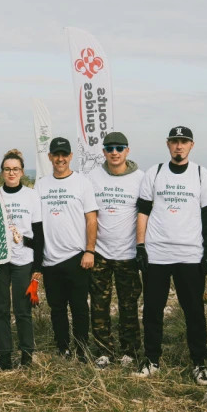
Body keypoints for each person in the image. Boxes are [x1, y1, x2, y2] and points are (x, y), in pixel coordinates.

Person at [136, 126, 207, 385]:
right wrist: (140, 245)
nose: (179, 146)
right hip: (157, 254)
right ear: (168, 144)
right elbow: (143, 211)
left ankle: (199, 363)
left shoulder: (200, 174)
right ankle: (151, 360)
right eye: (174, 142)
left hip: (190, 255)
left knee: (194, 311)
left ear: (191, 145)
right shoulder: (155, 172)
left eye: (184, 142)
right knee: (152, 310)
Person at [36, 137, 98, 361]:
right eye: (56, 154)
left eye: (64, 154)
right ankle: (63, 347)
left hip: (76, 256)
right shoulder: (41, 184)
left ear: (71, 156)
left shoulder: (82, 183)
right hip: (50, 258)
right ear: (50, 157)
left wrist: (89, 250)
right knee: (57, 308)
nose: (60, 159)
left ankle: (82, 349)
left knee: (80, 307)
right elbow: (36, 221)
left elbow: (91, 219)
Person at [88, 131, 145, 368]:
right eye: (110, 148)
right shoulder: (92, 177)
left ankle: (129, 350)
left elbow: (146, 213)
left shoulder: (141, 178)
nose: (114, 152)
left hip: (128, 253)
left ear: (127, 151)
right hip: (100, 252)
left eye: (119, 148)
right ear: (103, 152)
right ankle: (104, 351)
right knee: (99, 305)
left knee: (128, 304)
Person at [0, 149, 44, 370]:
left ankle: (27, 357)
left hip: (23, 260)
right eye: (7, 169)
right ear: (1, 172)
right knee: (0, 309)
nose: (11, 173)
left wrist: (38, 266)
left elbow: (38, 232)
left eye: (16, 169)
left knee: (22, 310)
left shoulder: (31, 195)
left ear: (22, 172)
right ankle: (5, 357)